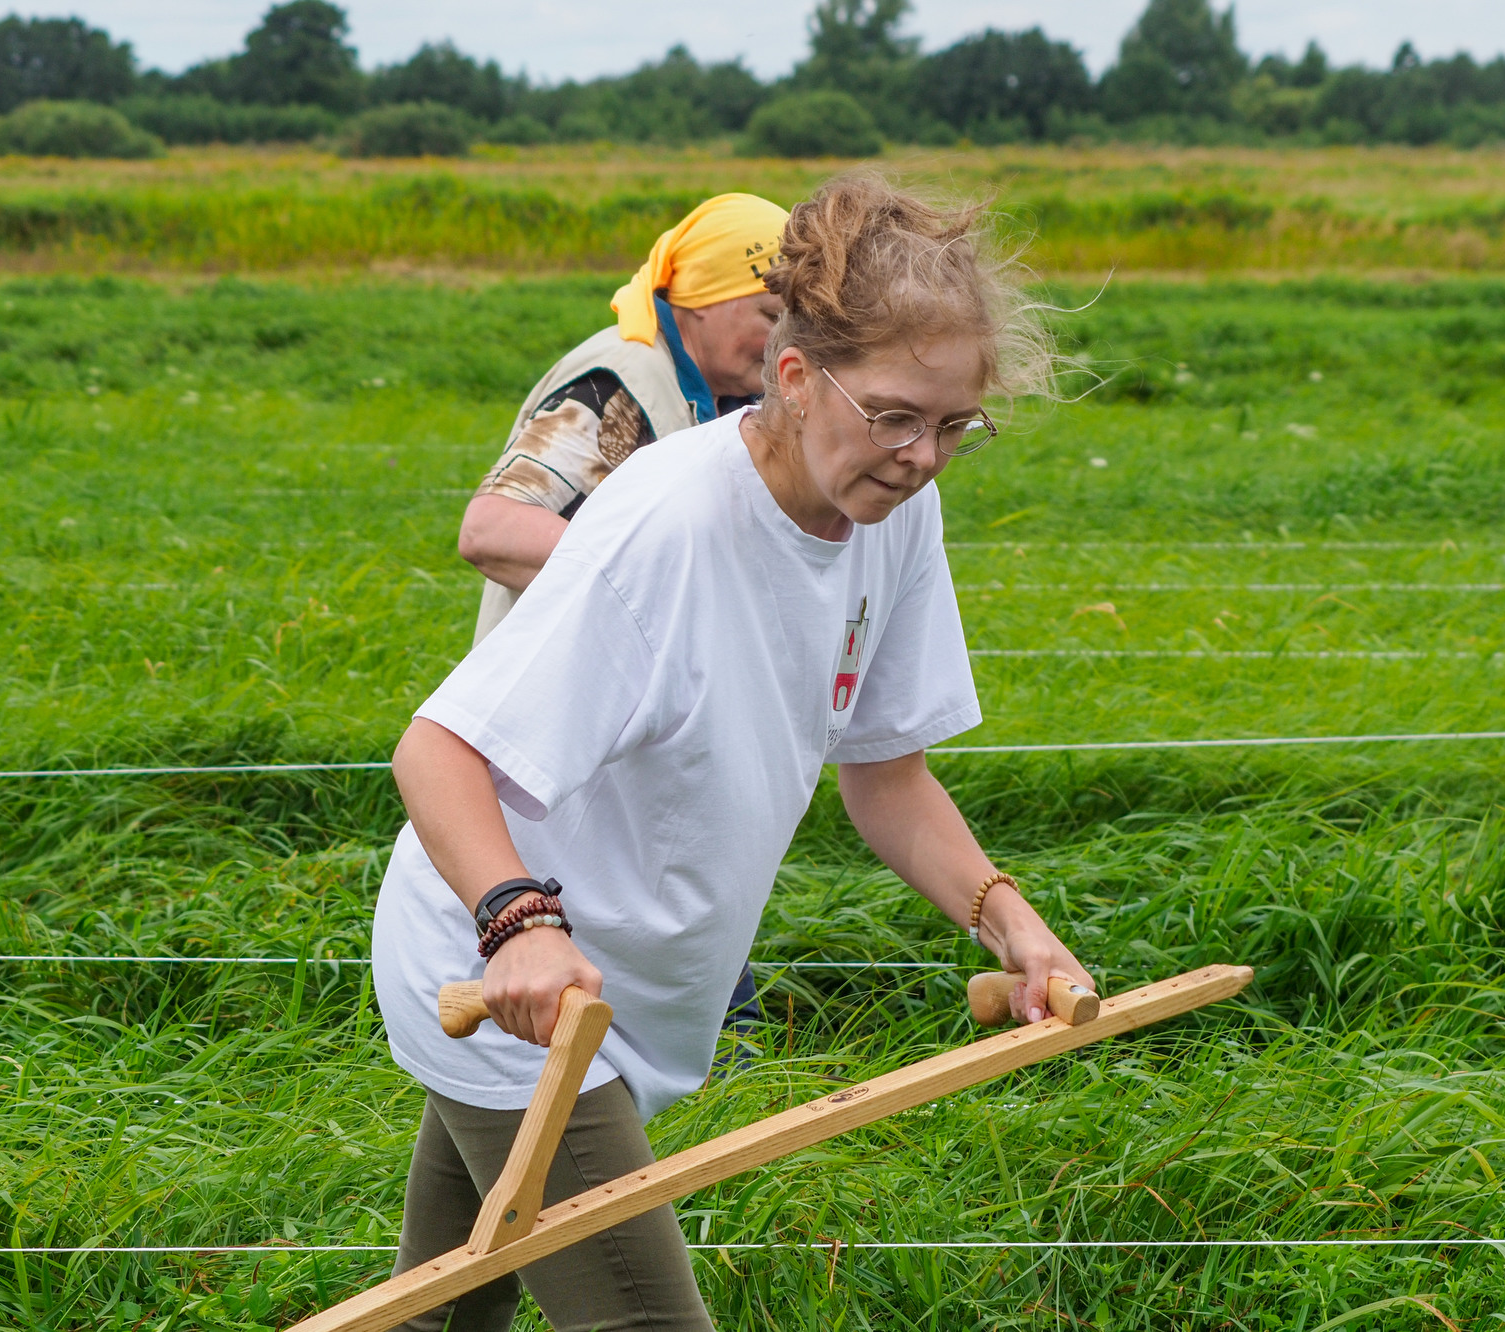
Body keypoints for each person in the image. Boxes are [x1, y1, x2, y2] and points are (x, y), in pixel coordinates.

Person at [373, 172, 1093, 1332]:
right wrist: (522, 925)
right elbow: (438, 752)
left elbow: (887, 774)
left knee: (439, 1308)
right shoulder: (666, 524)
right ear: (797, 378)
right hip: (515, 996)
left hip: (620, 994)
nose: (920, 457)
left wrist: (1008, 921)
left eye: (955, 426)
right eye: (895, 417)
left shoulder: (890, 515)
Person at [459, 192, 790, 1040]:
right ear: (702, 299)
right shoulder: (619, 382)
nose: (785, 335)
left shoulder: (715, 398)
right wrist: (669, 581)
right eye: (768, 310)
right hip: (568, 750)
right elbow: (491, 528)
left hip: (641, 761)